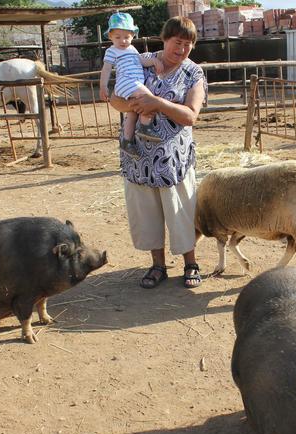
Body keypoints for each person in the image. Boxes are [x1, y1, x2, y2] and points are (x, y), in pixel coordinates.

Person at [109, 16, 206, 289]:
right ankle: (158, 266)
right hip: (138, 157)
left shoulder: (193, 73)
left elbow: (190, 115)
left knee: (181, 212)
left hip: (173, 160)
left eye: (188, 45)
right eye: (178, 43)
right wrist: (133, 105)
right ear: (165, 39)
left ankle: (191, 263)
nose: (182, 49)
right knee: (147, 214)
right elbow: (114, 98)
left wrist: (156, 102)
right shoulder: (138, 59)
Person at [99, 12, 165, 158]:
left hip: (133, 84)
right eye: (118, 37)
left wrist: (154, 61)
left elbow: (141, 61)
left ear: (133, 36)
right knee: (149, 99)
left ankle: (126, 141)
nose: (122, 40)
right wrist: (103, 86)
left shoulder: (132, 50)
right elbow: (106, 69)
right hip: (127, 82)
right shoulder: (112, 51)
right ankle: (145, 126)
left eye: (126, 37)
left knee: (132, 111)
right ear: (110, 36)